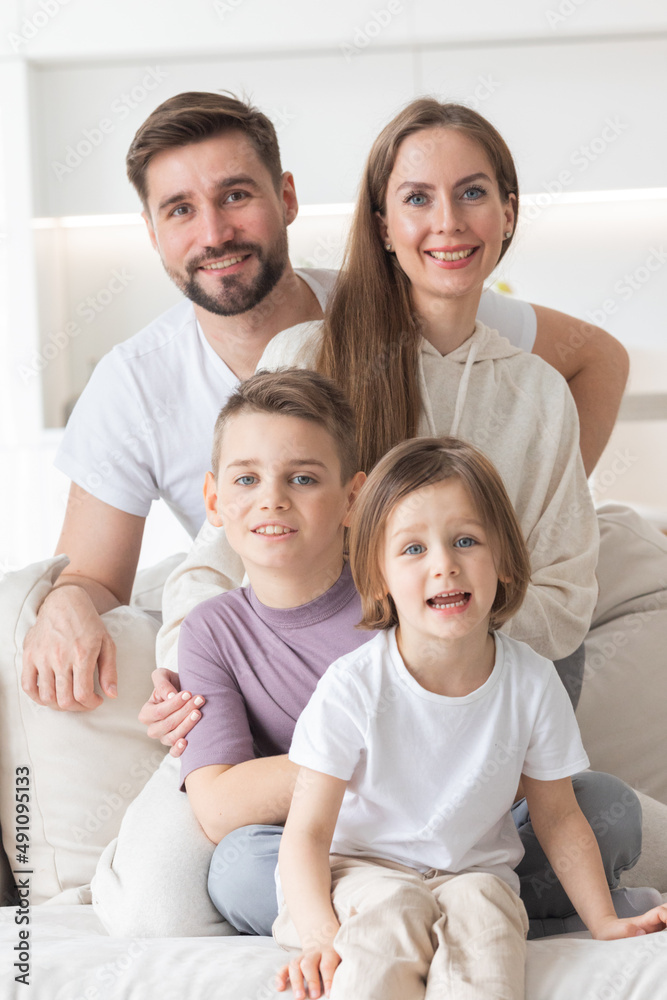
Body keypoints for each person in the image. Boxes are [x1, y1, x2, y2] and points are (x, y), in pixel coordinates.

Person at [20, 91, 629, 717]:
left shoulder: (481, 333)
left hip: (474, 698)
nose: (447, 223)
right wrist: (150, 650)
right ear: (384, 224)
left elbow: (587, 360)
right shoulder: (252, 361)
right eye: (180, 209)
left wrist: (525, 514)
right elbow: (204, 560)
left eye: (235, 195)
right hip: (313, 683)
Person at [173, 369, 648, 942]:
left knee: (608, 808)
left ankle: (469, 908)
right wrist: (367, 758)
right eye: (246, 479)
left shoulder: (417, 591)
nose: (272, 498)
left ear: (353, 498)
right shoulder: (210, 631)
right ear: (214, 498)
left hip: (470, 835)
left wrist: (436, 755)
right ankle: (428, 914)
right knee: (238, 868)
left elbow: (513, 759)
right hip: (338, 845)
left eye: (302, 478)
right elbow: (221, 807)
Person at [273, 437, 667, 1000]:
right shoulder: (353, 685)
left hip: (473, 876)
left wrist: (604, 920)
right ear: (378, 574)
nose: (444, 565)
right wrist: (320, 936)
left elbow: (557, 817)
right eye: (412, 549)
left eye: (465, 541)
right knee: (396, 908)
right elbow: (307, 833)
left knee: (485, 908)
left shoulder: (530, 681)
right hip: (358, 871)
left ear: (503, 560)